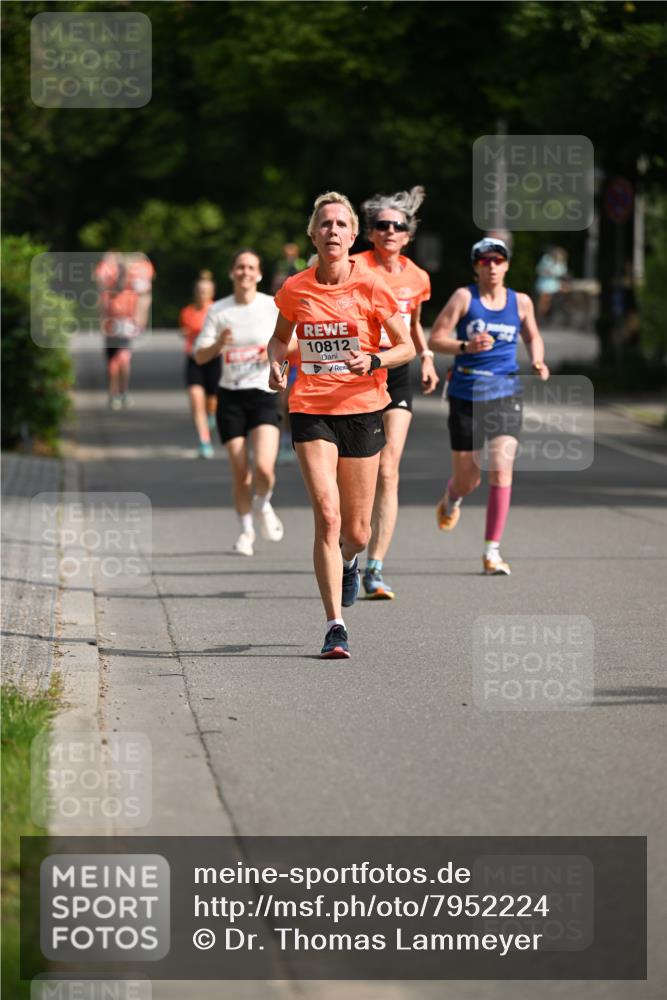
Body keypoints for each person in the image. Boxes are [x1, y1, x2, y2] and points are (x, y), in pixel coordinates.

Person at [267, 191, 415, 659]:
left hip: (363, 409)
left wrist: (373, 359)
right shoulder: (295, 288)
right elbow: (279, 339)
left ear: (353, 237)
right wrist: (276, 366)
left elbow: (406, 346)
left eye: (341, 224)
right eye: (325, 224)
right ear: (313, 235)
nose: (333, 231)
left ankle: (351, 561)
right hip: (311, 410)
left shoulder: (372, 285)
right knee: (327, 516)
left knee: (358, 532)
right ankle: (335, 625)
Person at [429, 237, 550, 576]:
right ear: (476, 267)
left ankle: (491, 551)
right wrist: (465, 346)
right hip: (466, 393)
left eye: (498, 260)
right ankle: (452, 497)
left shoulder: (521, 302)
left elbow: (532, 336)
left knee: (500, 469)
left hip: (505, 392)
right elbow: (435, 338)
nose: (492, 266)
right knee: (469, 480)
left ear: (507, 265)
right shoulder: (464, 298)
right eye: (485, 261)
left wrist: (538, 360)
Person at [354, 186, 438, 599]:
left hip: (397, 371)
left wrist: (427, 357)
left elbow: (414, 323)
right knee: (358, 469)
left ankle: (375, 567)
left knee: (389, 468)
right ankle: (351, 548)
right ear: (370, 232)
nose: (390, 231)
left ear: (408, 235)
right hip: (357, 372)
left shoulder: (417, 277)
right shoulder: (355, 267)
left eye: (398, 226)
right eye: (382, 225)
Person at [194, 249, 284, 556]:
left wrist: (271, 354)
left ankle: (263, 503)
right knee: (241, 472)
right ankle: (246, 531)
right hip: (230, 396)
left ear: (259, 274)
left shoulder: (272, 306)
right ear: (232, 272)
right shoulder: (219, 311)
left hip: (263, 395)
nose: (245, 272)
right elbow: (199, 355)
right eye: (240, 267)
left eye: (251, 267)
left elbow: (293, 341)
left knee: (264, 468)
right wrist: (220, 343)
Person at [96, 251, 155, 409]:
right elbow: (102, 310)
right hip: (111, 331)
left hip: (125, 330)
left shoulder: (133, 292)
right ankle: (114, 393)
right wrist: (103, 324)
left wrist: (139, 323)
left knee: (123, 360)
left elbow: (143, 303)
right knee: (112, 363)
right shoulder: (108, 292)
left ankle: (123, 391)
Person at [179, 270, 218, 458]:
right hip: (194, 360)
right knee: (196, 399)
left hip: (214, 359)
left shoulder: (217, 310)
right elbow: (185, 330)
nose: (202, 294)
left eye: (205, 291)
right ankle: (204, 442)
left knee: (212, 401)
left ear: (211, 293)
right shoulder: (187, 312)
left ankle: (212, 415)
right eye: (199, 291)